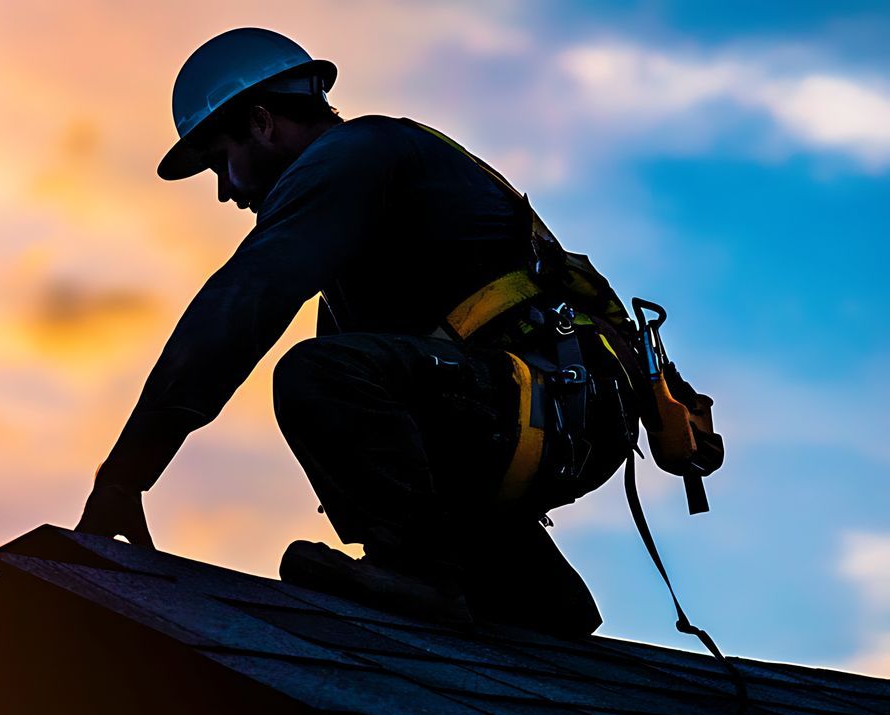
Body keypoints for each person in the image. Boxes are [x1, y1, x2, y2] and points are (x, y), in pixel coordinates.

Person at [73, 28, 637, 635]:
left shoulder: (357, 153)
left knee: (319, 373)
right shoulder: (370, 221)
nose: (225, 191)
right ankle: (530, 597)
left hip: (547, 402)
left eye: (220, 163)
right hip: (550, 406)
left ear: (262, 122)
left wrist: (127, 472)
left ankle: (419, 572)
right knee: (353, 370)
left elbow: (242, 304)